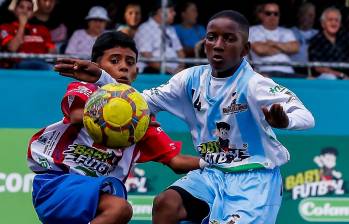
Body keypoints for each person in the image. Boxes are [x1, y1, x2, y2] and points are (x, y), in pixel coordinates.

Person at [55, 10, 315, 223]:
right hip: (213, 174)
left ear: (245, 48)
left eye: (228, 39)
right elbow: (139, 104)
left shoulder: (255, 85)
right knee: (167, 204)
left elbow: (305, 116)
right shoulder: (189, 79)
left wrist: (285, 121)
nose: (218, 45)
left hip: (254, 180)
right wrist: (103, 78)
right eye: (212, 37)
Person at [31, 31, 207, 224]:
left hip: (97, 198)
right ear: (97, 68)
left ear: (136, 72)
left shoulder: (140, 122)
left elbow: (176, 161)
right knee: (120, 208)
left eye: (130, 63)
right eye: (114, 61)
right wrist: (127, 118)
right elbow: (76, 116)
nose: (123, 67)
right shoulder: (88, 90)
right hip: (57, 183)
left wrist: (216, 162)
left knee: (118, 210)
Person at [249, 2, 300, 78]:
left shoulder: (287, 32)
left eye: (276, 14)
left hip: (289, 71)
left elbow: (295, 48)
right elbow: (260, 50)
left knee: (311, 81)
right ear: (261, 15)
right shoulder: (252, 30)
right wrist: (285, 48)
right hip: (265, 72)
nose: (272, 16)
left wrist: (273, 43)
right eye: (268, 13)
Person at [0, 0, 55, 69]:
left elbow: (52, 53)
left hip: (42, 63)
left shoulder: (43, 29)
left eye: (29, 9)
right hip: (18, 65)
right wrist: (22, 25)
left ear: (32, 14)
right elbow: (12, 48)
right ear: (14, 10)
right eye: (21, 7)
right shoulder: (5, 28)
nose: (24, 11)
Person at [134, 0, 185, 74]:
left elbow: (181, 53)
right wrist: (171, 70)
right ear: (161, 12)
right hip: (152, 71)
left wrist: (180, 69)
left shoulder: (170, 29)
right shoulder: (145, 28)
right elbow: (147, 58)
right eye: (171, 11)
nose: (174, 13)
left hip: (174, 72)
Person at [308, 7, 349, 80]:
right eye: (330, 20)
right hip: (326, 77)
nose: (334, 23)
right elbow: (318, 68)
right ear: (323, 24)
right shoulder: (315, 41)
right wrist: (341, 75)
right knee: (330, 78)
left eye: (336, 20)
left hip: (347, 76)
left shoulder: (345, 37)